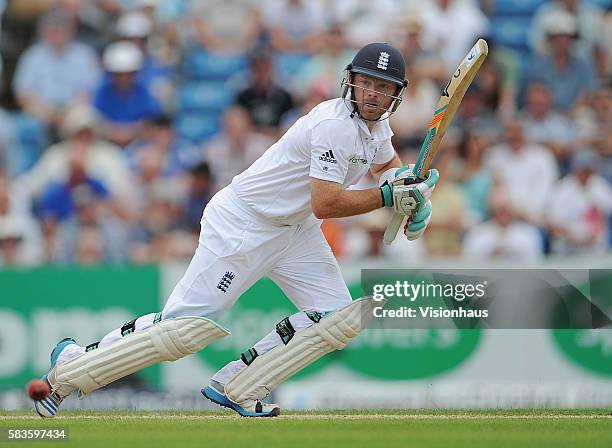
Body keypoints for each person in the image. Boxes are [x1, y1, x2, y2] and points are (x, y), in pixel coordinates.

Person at [34, 43, 439, 418]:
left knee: (338, 319)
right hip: (244, 224)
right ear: (351, 80)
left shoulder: (377, 128)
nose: (371, 92)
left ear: (394, 94)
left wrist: (410, 190)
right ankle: (72, 367)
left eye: (381, 87)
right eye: (365, 82)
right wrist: (388, 199)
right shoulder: (333, 124)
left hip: (295, 230)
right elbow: (327, 202)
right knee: (185, 331)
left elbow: (386, 167)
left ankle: (239, 386)